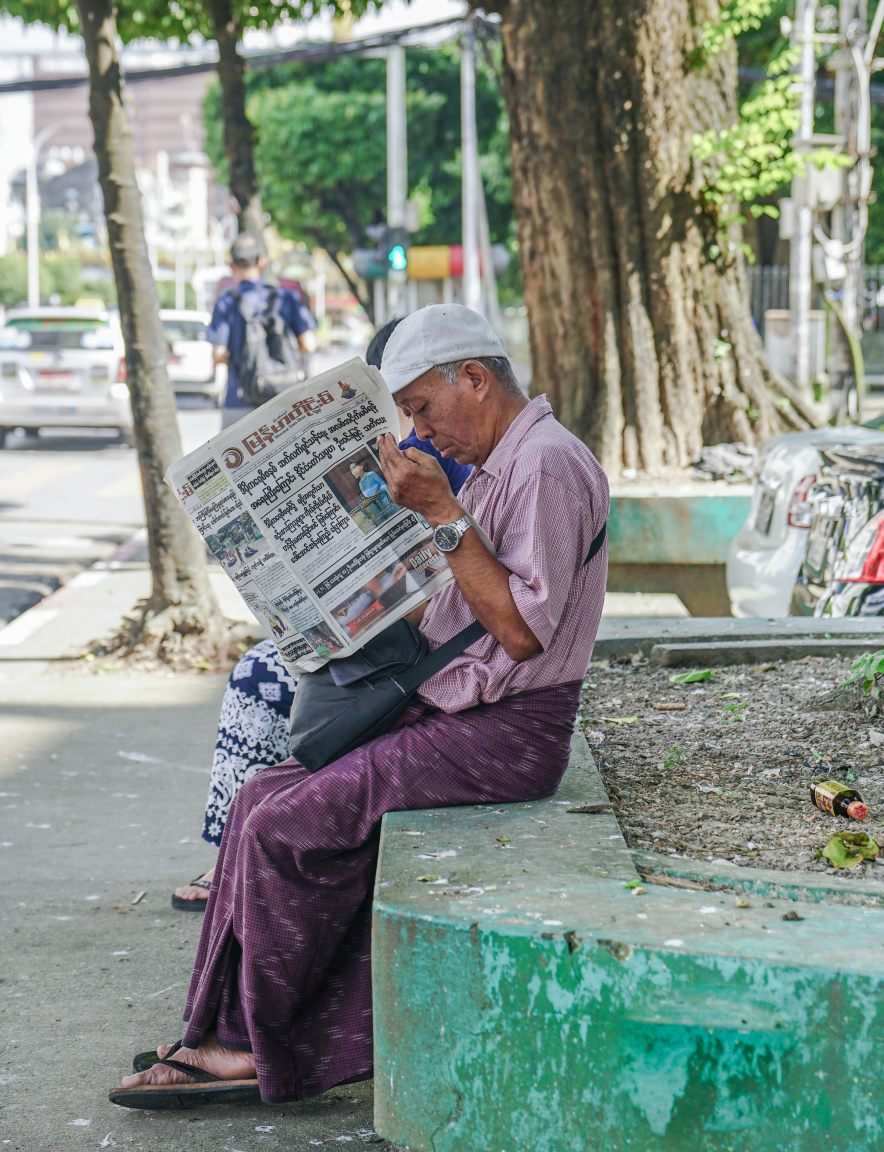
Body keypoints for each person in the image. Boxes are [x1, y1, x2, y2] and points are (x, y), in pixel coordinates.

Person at [116, 304, 610, 1109]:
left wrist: (442, 514)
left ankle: (247, 1047)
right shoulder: (507, 461)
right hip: (454, 707)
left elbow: (521, 632)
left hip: (507, 734)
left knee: (286, 828)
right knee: (257, 800)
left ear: (475, 379)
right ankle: (214, 1025)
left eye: (420, 407)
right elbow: (472, 605)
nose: (418, 428)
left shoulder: (546, 463)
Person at [170, 318, 471, 913]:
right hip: (370, 632)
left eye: (413, 404)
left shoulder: (456, 454)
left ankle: (254, 845)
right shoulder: (402, 448)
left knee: (272, 684)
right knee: (260, 672)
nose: (413, 422)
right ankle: (235, 846)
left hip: (431, 639)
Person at [208, 233, 315, 428]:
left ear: (232, 265)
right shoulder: (286, 298)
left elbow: (218, 354)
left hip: (239, 400)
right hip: (284, 402)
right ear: (262, 262)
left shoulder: (226, 302)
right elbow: (309, 345)